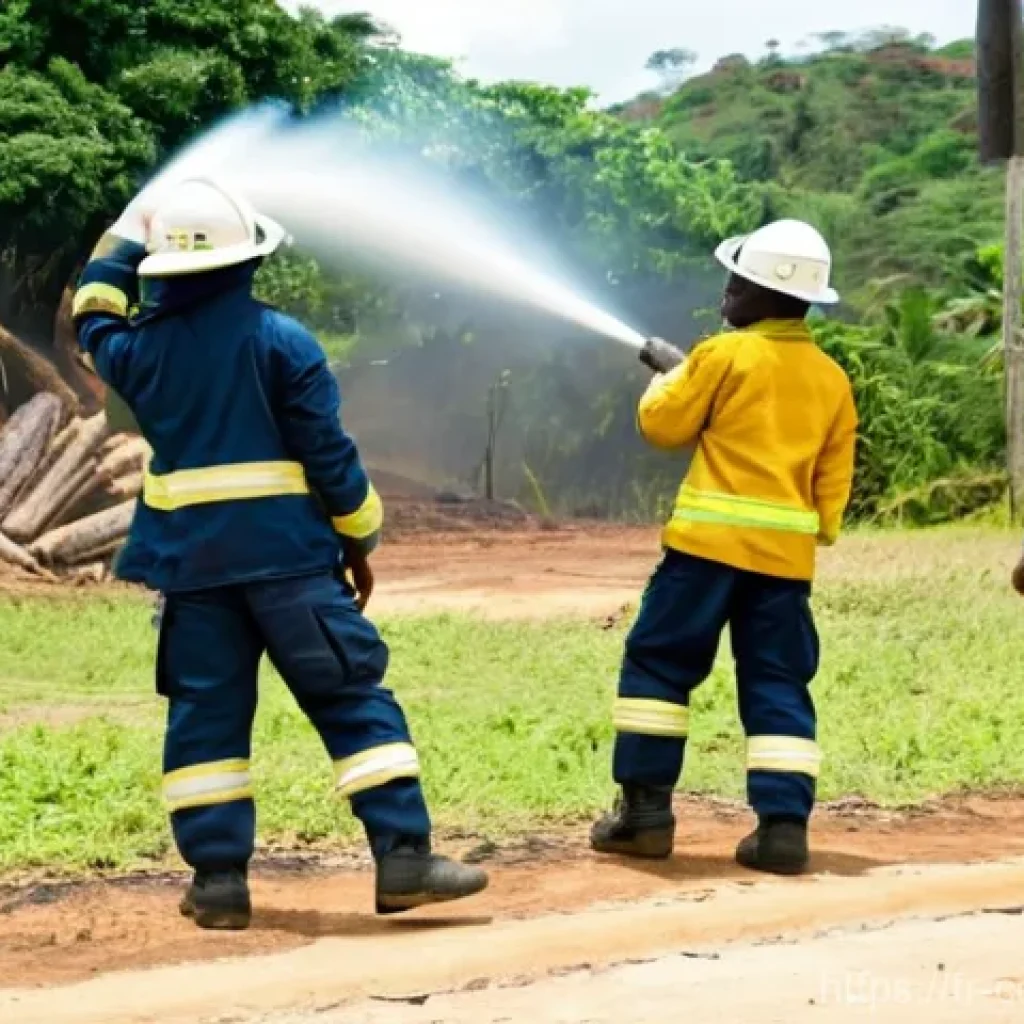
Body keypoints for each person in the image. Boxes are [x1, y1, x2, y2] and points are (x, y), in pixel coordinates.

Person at [72, 177, 488, 929]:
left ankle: (220, 884)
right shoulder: (284, 341)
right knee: (350, 696)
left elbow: (92, 313)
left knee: (206, 720)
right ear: (248, 263)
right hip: (293, 567)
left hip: (194, 574)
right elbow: (328, 456)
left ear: (162, 272)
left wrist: (123, 233)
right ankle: (403, 858)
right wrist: (360, 535)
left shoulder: (136, 353)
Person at [590, 219, 858, 876]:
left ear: (765, 291)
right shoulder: (830, 379)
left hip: (704, 555)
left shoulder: (720, 356)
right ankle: (782, 829)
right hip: (784, 567)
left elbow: (665, 423)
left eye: (737, 280)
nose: (727, 290)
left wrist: (667, 379)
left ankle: (645, 817)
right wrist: (812, 529)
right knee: (777, 682)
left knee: (657, 669)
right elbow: (833, 480)